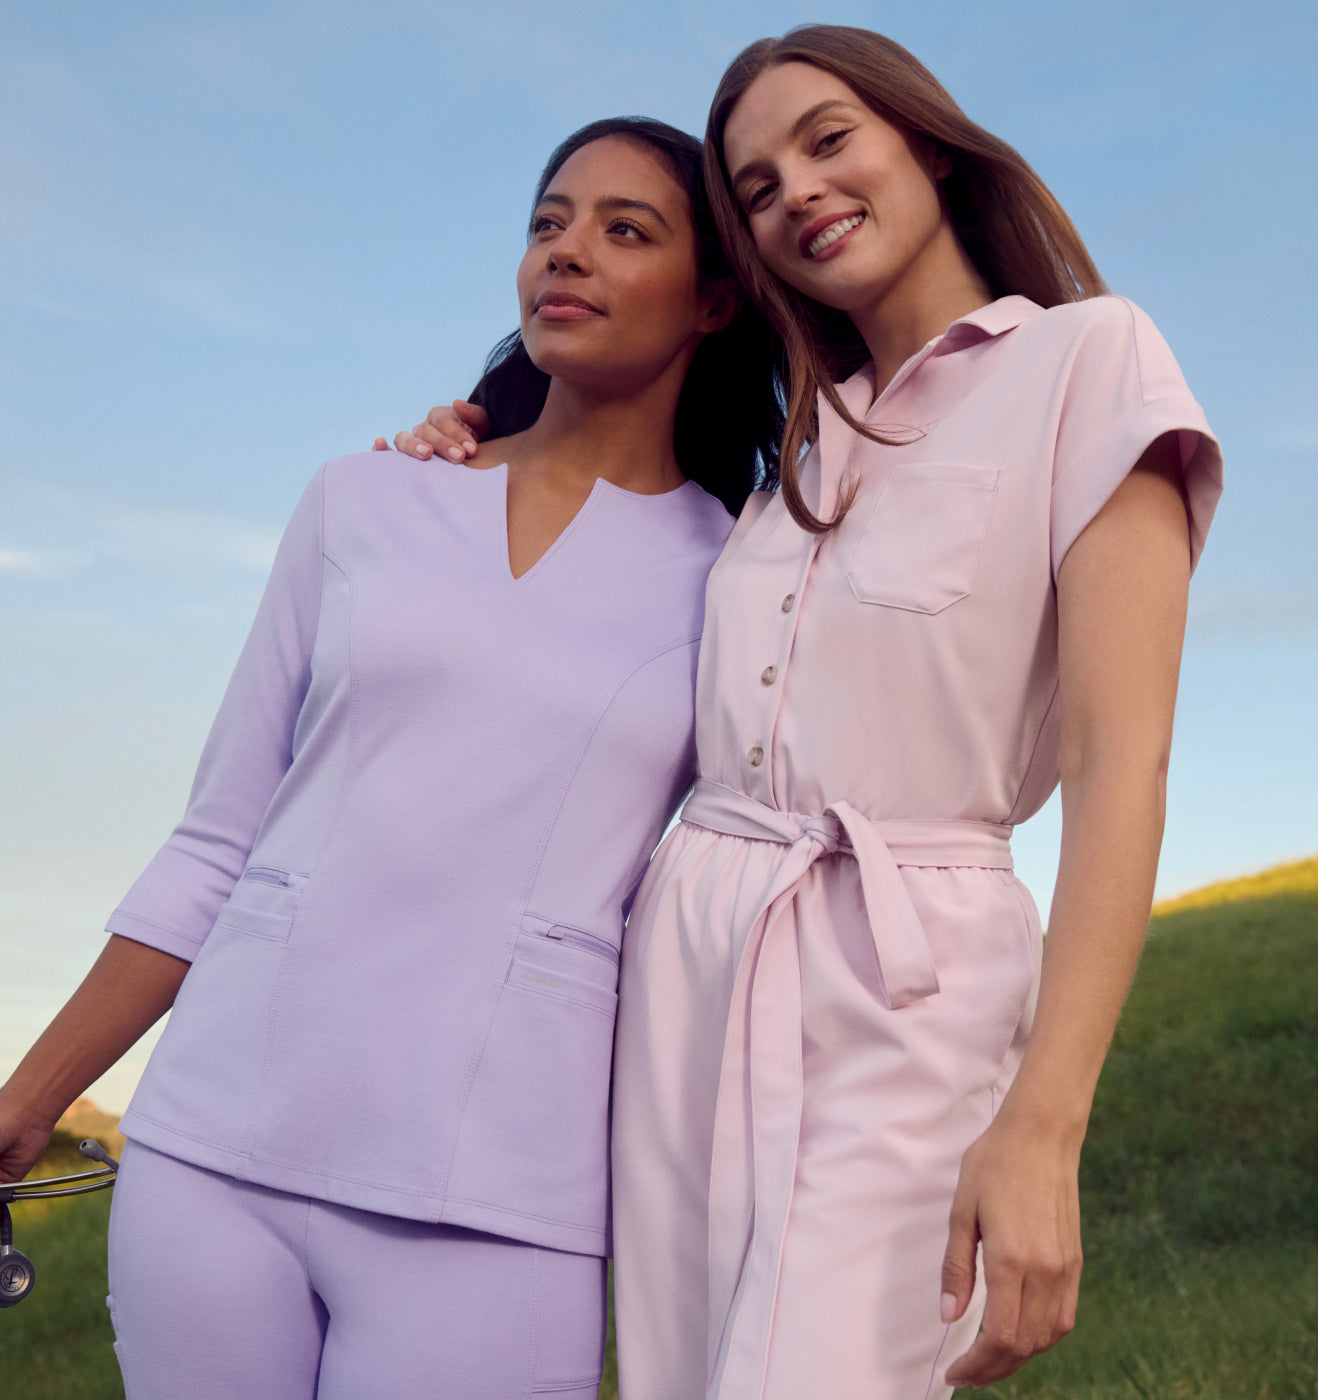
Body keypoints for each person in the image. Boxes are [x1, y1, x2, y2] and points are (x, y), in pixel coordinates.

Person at [388, 26, 1222, 1400]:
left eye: (827, 140)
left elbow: (1120, 758)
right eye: (756, 188)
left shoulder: (1088, 359)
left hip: (907, 974)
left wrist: (1044, 1123)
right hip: (687, 961)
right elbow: (606, 504)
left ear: (926, 144)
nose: (798, 195)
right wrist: (479, 432)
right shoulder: (793, 440)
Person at [0, 118, 785, 1399]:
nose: (565, 251)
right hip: (213, 1152)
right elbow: (218, 837)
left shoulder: (743, 574)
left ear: (715, 301)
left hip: (502, 1191)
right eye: (547, 222)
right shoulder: (363, 498)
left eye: (624, 230)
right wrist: (32, 1096)